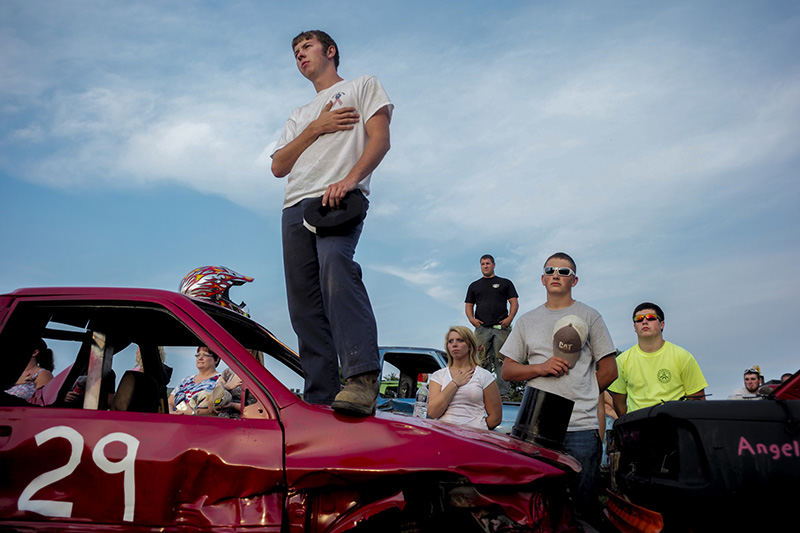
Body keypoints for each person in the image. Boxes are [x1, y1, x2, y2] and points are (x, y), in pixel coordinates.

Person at [270, 30, 393, 416]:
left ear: (330, 50)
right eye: (295, 52)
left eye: (306, 47)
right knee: (303, 304)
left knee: (336, 267)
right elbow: (278, 165)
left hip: (337, 198)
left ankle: (361, 377)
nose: (299, 55)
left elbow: (381, 139)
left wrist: (351, 180)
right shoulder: (299, 115)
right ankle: (320, 394)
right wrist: (316, 128)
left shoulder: (362, 86)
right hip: (294, 206)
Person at [500, 252, 617, 519]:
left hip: (581, 425)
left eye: (564, 272)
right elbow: (507, 370)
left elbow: (610, 370)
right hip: (536, 427)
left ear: (574, 280)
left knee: (583, 505)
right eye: (550, 270)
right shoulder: (527, 320)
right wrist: (540, 368)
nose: (556, 275)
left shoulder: (590, 316)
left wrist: (584, 392)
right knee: (538, 504)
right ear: (542, 279)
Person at [608, 302, 707, 415]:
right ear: (634, 327)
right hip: (639, 427)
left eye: (651, 318)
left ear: (662, 324)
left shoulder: (682, 356)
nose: (644, 321)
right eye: (639, 319)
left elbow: (698, 399)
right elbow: (619, 404)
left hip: (677, 426)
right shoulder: (621, 361)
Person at [465, 254, 519, 399]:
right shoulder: (474, 285)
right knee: (480, 360)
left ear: (494, 265)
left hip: (500, 328)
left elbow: (514, 302)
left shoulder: (505, 283)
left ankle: (503, 395)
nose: (485, 266)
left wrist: (510, 318)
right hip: (482, 330)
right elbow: (469, 305)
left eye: (488, 263)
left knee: (501, 361)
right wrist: (472, 319)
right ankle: (480, 392)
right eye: (482, 264)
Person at [427, 326, 502, 430]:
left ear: (470, 346)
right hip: (444, 435)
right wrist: (454, 383)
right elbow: (432, 413)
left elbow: (495, 418)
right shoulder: (438, 376)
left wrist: (477, 428)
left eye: (460, 340)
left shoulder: (484, 375)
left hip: (474, 439)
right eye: (450, 341)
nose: (454, 344)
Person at [168, 347, 222, 415]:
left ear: (216, 360)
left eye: (205, 355)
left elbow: (218, 408)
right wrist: (171, 413)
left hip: (202, 423)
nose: (200, 358)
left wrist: (193, 413)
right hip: (176, 422)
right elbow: (169, 402)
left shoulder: (221, 380)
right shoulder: (186, 380)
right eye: (198, 355)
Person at [5, 338, 54, 402]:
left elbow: (43, 402)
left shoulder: (43, 374)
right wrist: (15, 382)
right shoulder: (10, 374)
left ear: (34, 352)